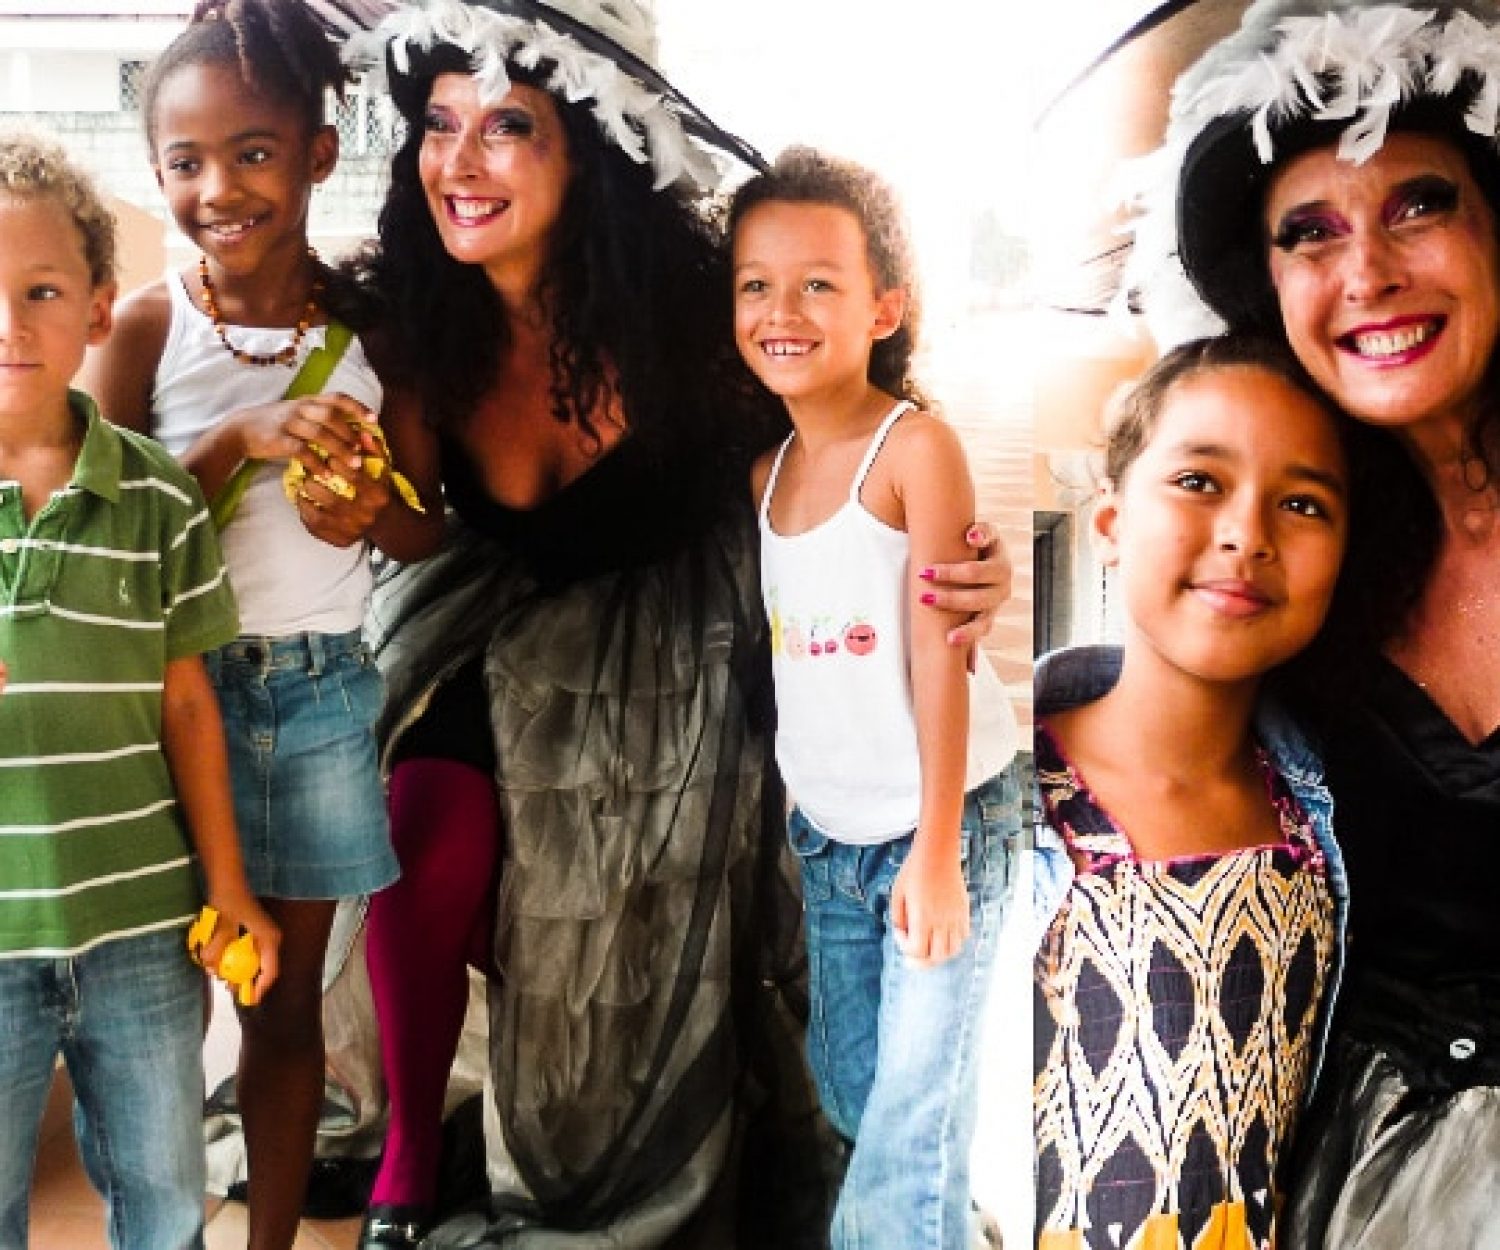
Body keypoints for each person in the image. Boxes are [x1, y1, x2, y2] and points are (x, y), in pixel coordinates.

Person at [341, 2, 1013, 1245]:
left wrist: (958, 550)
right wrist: (358, 510)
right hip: (495, 621)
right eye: (437, 127)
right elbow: (426, 526)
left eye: (505, 127)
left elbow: (850, 414)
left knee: (758, 909)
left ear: (585, 144)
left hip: (702, 634)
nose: (459, 162)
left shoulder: (699, 297)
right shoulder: (417, 319)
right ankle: (402, 1167)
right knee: (410, 829)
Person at [1126, 1, 1500, 1243]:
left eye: (1419, 204)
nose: (1368, 273)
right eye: (1311, 231)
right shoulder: (1299, 543)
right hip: (1346, 1173)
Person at [78, 4, 442, 1248]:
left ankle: (271, 1238)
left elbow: (425, 524)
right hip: (158, 703)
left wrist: (360, 514)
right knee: (152, 1004)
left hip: (312, 699)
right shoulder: (141, 327)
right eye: (184, 162)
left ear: (319, 153)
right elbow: (89, 531)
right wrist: (234, 441)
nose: (217, 188)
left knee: (280, 1005)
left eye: (253, 153)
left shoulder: (372, 335)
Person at [727, 146, 1022, 1250]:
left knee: (902, 1135)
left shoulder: (914, 452)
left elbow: (940, 660)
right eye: (756, 283)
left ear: (884, 305)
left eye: (819, 283)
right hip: (829, 838)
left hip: (941, 825)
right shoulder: (766, 476)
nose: (782, 308)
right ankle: (947, 1218)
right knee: (858, 1093)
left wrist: (938, 847)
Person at [0, 128, 279, 1250]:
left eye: (41, 289)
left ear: (99, 308)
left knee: (166, 1200)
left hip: (145, 933)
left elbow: (188, 708)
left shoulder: (157, 497)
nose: (11, 323)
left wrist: (230, 889)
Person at [1032, 335, 1352, 1248]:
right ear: (1108, 525)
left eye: (1301, 503)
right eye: (1199, 482)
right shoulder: (1006, 807)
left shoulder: (1329, 836)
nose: (1247, 534)